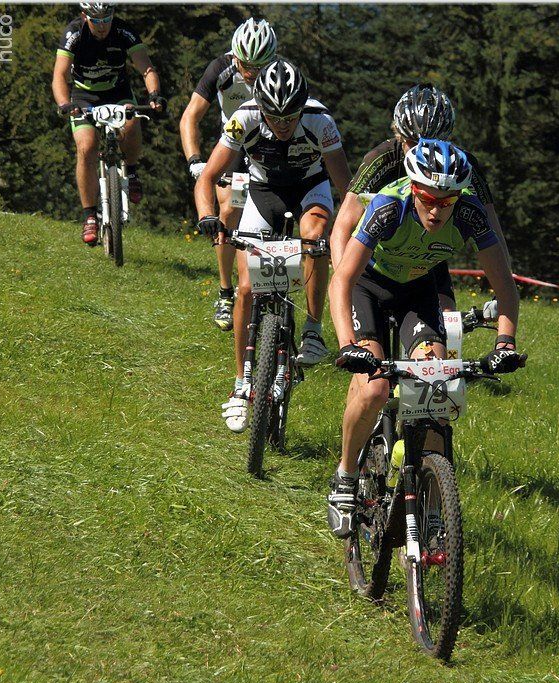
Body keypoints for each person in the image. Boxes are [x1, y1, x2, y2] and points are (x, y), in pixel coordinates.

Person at [326, 139, 523, 539]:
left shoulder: (469, 214)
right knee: (374, 389)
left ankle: (431, 499)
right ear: (414, 188)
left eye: (446, 201)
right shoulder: (388, 207)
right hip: (368, 287)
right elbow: (341, 281)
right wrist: (348, 345)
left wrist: (505, 343)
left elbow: (505, 287)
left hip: (417, 291)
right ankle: (345, 476)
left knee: (436, 387)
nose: (437, 210)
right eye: (429, 199)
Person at [194, 58, 353, 433]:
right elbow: (208, 176)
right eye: (274, 117)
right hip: (263, 191)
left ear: (302, 108)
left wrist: (351, 231)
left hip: (310, 188)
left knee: (314, 236)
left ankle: (313, 329)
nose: (282, 125)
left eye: (290, 117)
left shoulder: (320, 121)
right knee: (247, 288)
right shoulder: (244, 118)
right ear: (260, 107)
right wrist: (207, 215)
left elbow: (346, 187)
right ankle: (240, 384)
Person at [329, 83, 511, 314]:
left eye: (431, 143)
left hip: (428, 256)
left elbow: (492, 228)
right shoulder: (382, 158)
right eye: (413, 143)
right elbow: (343, 225)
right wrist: (344, 286)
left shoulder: (461, 166)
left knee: (447, 319)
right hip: (376, 254)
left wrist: (500, 291)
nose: (421, 151)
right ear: (398, 134)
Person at [180, 17, 278, 331]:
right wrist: (196, 161)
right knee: (229, 211)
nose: (251, 73)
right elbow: (190, 117)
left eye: (259, 67)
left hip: (271, 147)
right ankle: (225, 291)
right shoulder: (219, 69)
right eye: (245, 65)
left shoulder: (281, 73)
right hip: (234, 147)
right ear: (235, 56)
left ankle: (274, 287)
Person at [52, 2, 166, 245]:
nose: (102, 26)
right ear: (84, 16)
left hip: (118, 93)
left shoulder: (124, 31)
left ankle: (131, 172)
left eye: (107, 19)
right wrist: (64, 103)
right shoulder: (73, 33)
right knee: (86, 147)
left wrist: (154, 94)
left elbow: (146, 67)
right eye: (96, 20)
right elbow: (59, 75)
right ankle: (89, 215)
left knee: (131, 123)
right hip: (83, 96)